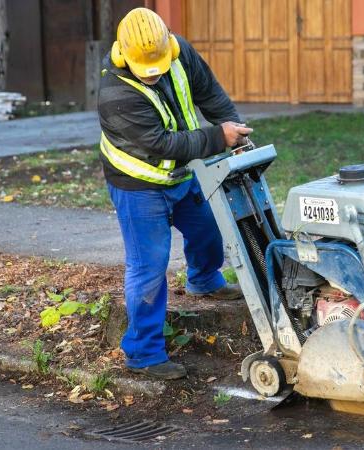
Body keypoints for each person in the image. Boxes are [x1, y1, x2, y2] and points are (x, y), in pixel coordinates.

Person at [97, 8, 251, 380]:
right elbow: (162, 143)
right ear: (124, 55)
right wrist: (218, 138)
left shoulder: (178, 52)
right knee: (148, 266)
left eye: (158, 64)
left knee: (210, 227)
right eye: (144, 66)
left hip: (180, 175)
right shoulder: (116, 93)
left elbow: (208, 92)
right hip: (139, 185)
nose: (153, 71)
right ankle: (143, 353)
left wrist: (236, 133)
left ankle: (204, 278)